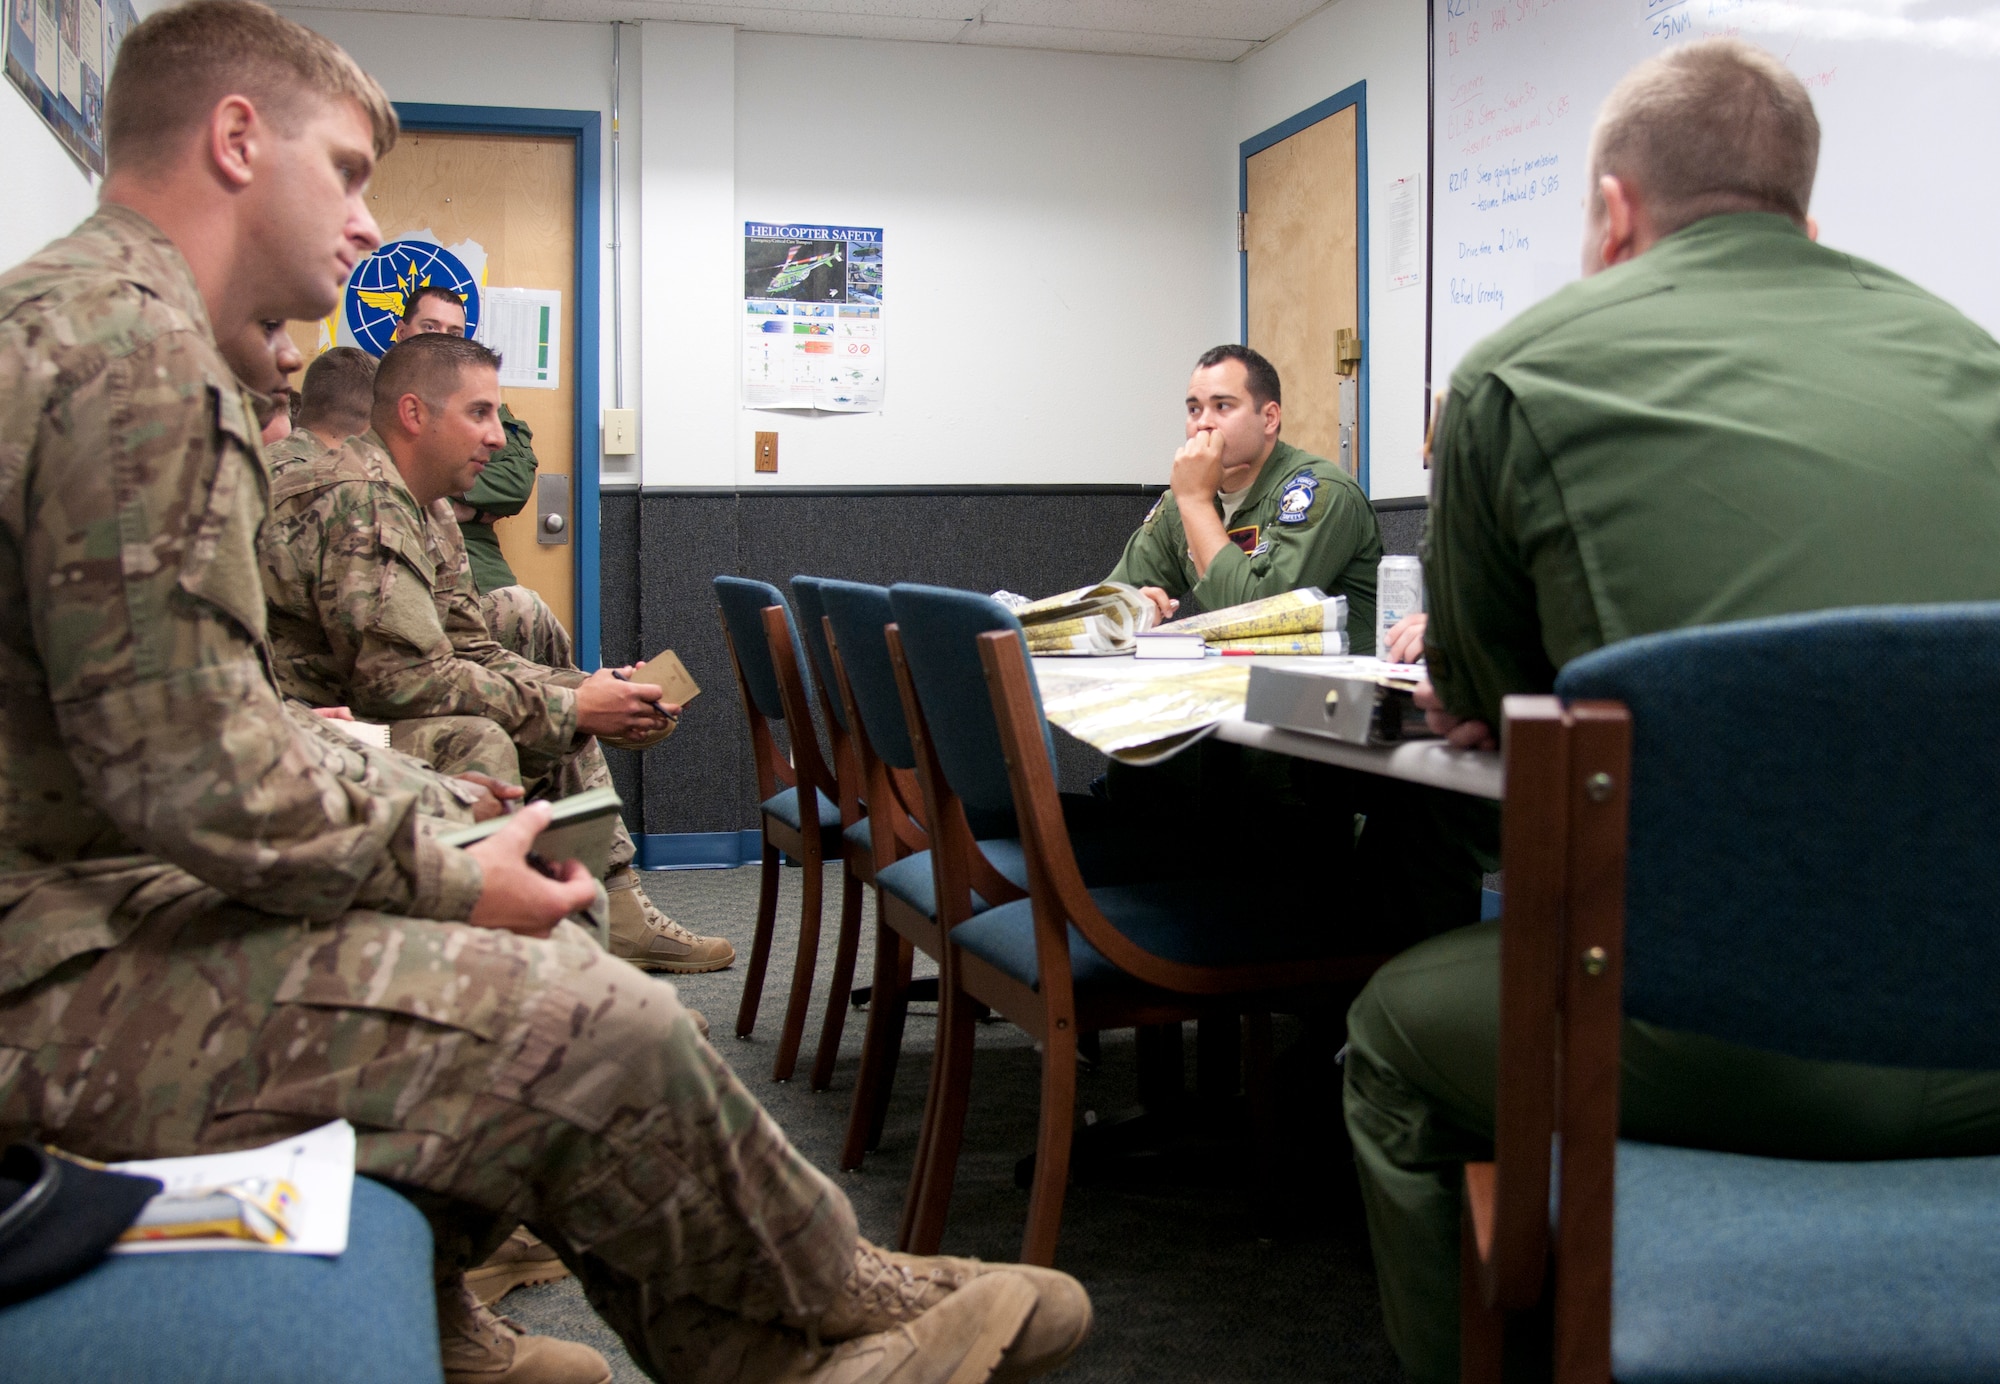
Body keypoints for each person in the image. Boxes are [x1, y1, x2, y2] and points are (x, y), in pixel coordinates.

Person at [0, 8, 1089, 1384]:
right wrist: (454, 869)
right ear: (233, 140)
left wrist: (438, 816)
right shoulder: (134, 356)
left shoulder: (88, 321)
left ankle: (710, 1338)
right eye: (343, 170)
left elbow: (181, 735)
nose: (363, 220)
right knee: (601, 1019)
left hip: (79, 912)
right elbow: (197, 777)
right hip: (48, 973)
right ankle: (831, 1315)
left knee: (522, 902)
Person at [1345, 39, 2000, 1384]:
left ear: (1617, 212)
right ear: (1808, 222)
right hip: (1982, 1017)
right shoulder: (1971, 356)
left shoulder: (1514, 373)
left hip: (1717, 1031)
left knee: (1393, 1038)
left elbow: (1485, 697)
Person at [258, 331, 734, 976]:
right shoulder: (361, 499)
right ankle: (499, 969)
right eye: (479, 413)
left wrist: (589, 690)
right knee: (475, 737)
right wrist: (573, 711)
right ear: (413, 413)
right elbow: (402, 682)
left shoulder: (428, 507)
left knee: (525, 669)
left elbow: (470, 647)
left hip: (359, 709)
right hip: (297, 726)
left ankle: (591, 915)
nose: (498, 437)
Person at [1108, 343, 1381, 648]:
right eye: (1194, 409)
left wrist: (1196, 502)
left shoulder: (1322, 491)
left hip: (1337, 685)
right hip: (1243, 680)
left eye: (1222, 406)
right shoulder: (1183, 501)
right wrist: (1131, 610)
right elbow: (1103, 610)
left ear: (1269, 418)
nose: (1203, 423)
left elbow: (1257, 619)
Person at [392, 284, 539, 600]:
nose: (441, 339)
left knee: (528, 612)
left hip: (476, 567)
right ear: (402, 332)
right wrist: (465, 506)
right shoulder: (370, 395)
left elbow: (516, 482)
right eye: (430, 327)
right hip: (393, 560)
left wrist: (425, 484)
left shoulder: (485, 405)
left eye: (454, 332)